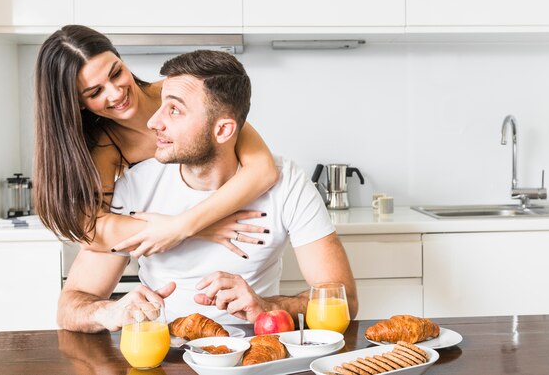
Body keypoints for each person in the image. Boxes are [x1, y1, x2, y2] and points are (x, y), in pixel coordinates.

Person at [58, 50, 357, 332]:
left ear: (223, 131)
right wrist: (109, 311)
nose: (152, 122)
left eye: (174, 109)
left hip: (256, 356)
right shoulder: (135, 187)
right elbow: (69, 306)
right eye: (161, 104)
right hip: (163, 356)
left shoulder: (287, 183)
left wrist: (265, 307)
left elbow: (345, 303)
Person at [34, 25, 279, 258]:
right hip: (176, 254)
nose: (116, 93)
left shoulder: (184, 92)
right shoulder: (104, 148)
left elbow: (263, 171)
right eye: (95, 92)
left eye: (117, 73)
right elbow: (92, 230)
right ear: (76, 103)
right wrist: (193, 231)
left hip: (240, 227)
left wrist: (184, 226)